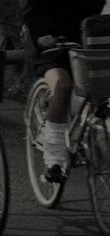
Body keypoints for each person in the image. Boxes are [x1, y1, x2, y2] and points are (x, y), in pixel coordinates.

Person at [22, 0, 106, 183]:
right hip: (49, 46)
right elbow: (30, 9)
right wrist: (43, 33)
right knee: (62, 86)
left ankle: (85, 133)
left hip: (82, 43)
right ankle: (55, 160)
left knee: (98, 91)